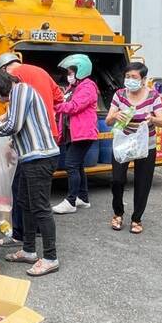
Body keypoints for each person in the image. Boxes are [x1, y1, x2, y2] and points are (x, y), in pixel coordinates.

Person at [0, 69, 61, 276]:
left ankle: (50, 257)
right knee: (25, 204)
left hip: (41, 157)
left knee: (40, 207)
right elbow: (20, 126)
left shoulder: (21, 90)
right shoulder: (18, 95)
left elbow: (14, 124)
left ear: (0, 85)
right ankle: (28, 250)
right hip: (30, 157)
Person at [0, 52, 63, 246]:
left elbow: (15, 120)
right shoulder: (41, 71)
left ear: (3, 71)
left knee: (28, 197)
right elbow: (59, 99)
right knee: (29, 194)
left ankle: (24, 237)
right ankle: (27, 242)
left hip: (33, 144)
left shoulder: (18, 81)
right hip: (48, 135)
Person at [105, 62, 162, 234]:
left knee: (143, 182)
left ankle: (136, 219)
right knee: (117, 180)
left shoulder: (153, 96)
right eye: (127, 77)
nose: (130, 80)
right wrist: (116, 115)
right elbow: (108, 120)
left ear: (143, 79)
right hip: (123, 144)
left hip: (146, 145)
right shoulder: (119, 95)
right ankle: (118, 213)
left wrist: (152, 119)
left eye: (134, 77)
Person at [52, 54, 99, 214]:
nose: (68, 75)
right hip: (73, 133)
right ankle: (83, 198)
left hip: (83, 133)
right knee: (77, 165)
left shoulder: (88, 87)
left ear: (81, 71)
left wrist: (54, 106)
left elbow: (74, 106)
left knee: (71, 165)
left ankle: (71, 201)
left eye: (71, 72)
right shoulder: (74, 87)